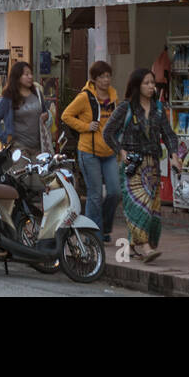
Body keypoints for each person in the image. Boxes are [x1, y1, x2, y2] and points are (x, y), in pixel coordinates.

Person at [104, 66, 181, 262]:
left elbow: (169, 135)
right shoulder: (126, 108)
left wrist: (173, 155)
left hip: (152, 165)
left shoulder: (158, 109)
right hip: (132, 166)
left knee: (152, 207)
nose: (150, 86)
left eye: (152, 83)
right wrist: (121, 152)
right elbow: (108, 132)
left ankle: (130, 246)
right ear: (137, 85)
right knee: (140, 205)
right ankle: (145, 248)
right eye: (146, 83)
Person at [62, 60, 121, 242]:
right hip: (89, 151)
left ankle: (103, 226)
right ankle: (92, 235)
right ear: (94, 79)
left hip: (109, 151)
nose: (106, 80)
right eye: (102, 77)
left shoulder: (113, 96)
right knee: (94, 195)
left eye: (108, 76)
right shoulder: (85, 97)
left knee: (115, 192)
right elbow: (66, 115)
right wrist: (86, 126)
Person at [0, 60, 49, 157]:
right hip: (18, 147)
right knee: (21, 171)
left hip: (39, 147)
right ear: (17, 77)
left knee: (39, 172)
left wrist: (45, 116)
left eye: (31, 74)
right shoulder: (9, 98)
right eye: (26, 74)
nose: (30, 77)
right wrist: (4, 138)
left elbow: (44, 112)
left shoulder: (37, 94)